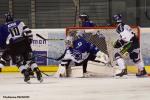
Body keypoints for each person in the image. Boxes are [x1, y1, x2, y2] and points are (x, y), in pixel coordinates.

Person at [0, 13, 43, 83]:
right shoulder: (19, 22)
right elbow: (28, 32)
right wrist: (29, 41)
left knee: (18, 62)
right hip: (24, 42)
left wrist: (5, 47)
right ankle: (38, 72)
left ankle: (26, 74)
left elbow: (1, 41)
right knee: (30, 60)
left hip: (13, 45)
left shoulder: (3, 27)